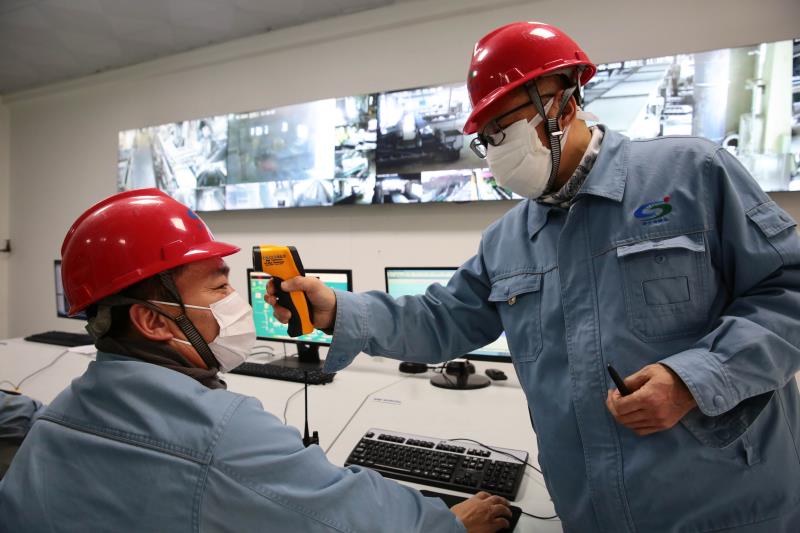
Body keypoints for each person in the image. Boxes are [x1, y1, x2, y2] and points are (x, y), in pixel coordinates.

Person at [268, 22, 800, 533]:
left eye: (503, 128)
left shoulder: (692, 173)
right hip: (589, 513)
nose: (496, 151)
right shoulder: (509, 239)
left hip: (725, 507)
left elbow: (789, 288)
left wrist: (693, 379)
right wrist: (337, 309)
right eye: (486, 138)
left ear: (562, 103)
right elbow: (440, 318)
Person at [0, 189, 511, 533]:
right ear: (152, 321)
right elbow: (350, 515)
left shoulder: (52, 420)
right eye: (219, 287)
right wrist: (449, 523)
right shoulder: (221, 434)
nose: (235, 301)